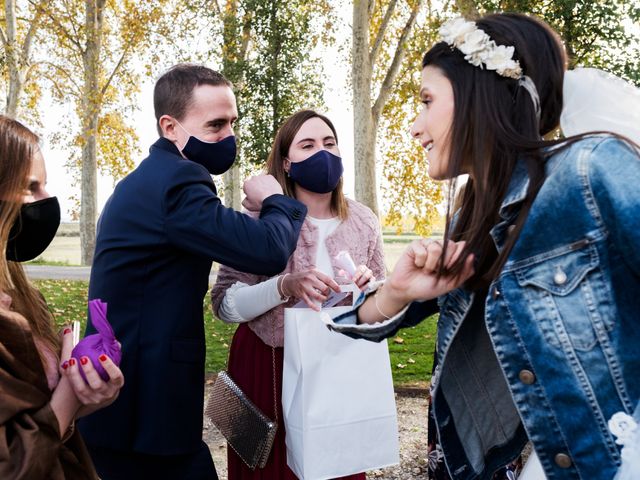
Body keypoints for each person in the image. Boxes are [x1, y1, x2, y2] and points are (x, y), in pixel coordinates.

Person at [326, 13, 640, 480]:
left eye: (427, 100)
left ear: (480, 93)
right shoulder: (467, 220)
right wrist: (398, 291)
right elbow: (361, 323)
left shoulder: (591, 170)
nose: (414, 126)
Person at [77, 64, 308, 480]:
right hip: (146, 408)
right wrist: (276, 200)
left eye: (232, 123)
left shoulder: (148, 179)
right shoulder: (179, 181)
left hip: (128, 401)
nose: (229, 137)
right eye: (215, 125)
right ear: (170, 127)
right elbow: (268, 249)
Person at [210, 109, 385, 479]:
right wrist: (284, 286)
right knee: (263, 469)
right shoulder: (259, 220)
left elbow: (382, 309)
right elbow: (224, 303)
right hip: (264, 368)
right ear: (287, 164)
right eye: (308, 145)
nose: (322, 152)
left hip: (337, 370)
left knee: (335, 467)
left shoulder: (364, 220)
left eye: (329, 143)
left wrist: (370, 289)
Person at [0, 115, 124, 479]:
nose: (47, 200)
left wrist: (89, 393)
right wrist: (70, 393)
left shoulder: (20, 294)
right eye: (30, 186)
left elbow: (45, 416)